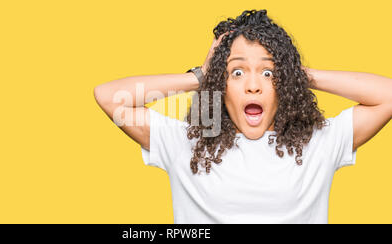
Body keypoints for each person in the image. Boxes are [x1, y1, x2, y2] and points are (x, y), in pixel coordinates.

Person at [94, 9, 392, 224]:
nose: (253, 84)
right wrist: (200, 76)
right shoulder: (185, 144)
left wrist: (297, 74)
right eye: (237, 72)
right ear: (220, 85)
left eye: (268, 72)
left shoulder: (319, 144)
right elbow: (109, 97)